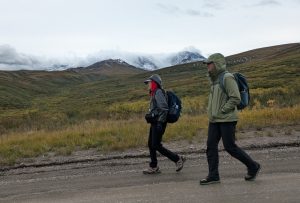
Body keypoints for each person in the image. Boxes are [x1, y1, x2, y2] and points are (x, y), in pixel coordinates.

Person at [200, 53, 261, 185]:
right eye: (207, 64)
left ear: (216, 64)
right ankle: (213, 175)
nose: (207, 66)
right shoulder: (214, 80)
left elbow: (235, 97)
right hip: (215, 120)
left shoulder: (227, 77)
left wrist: (222, 110)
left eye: (209, 64)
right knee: (211, 146)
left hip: (227, 119)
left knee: (230, 147)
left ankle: (253, 166)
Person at [143, 74, 186, 174]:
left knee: (156, 145)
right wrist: (151, 115)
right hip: (156, 122)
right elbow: (158, 109)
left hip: (159, 122)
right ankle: (154, 166)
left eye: (149, 83)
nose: (147, 85)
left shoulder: (158, 92)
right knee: (151, 144)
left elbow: (164, 108)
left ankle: (177, 159)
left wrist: (159, 122)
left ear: (154, 83)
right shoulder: (154, 93)